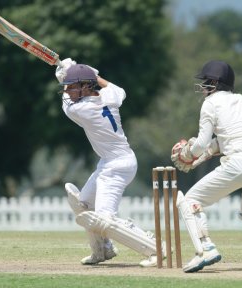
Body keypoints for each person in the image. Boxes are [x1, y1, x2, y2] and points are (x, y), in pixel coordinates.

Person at [171, 60, 242, 273]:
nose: (203, 88)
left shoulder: (210, 103)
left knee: (189, 200)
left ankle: (206, 249)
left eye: (206, 83)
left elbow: (203, 143)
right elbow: (224, 141)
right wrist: (200, 157)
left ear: (214, 83)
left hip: (240, 164)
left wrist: (188, 153)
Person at [55, 59, 162, 267]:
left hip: (117, 166)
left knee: (105, 218)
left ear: (86, 87)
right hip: (113, 161)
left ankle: (156, 249)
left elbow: (66, 107)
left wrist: (62, 74)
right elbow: (118, 89)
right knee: (83, 205)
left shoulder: (83, 109)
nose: (67, 91)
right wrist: (92, 76)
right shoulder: (109, 96)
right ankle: (103, 250)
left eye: (71, 87)